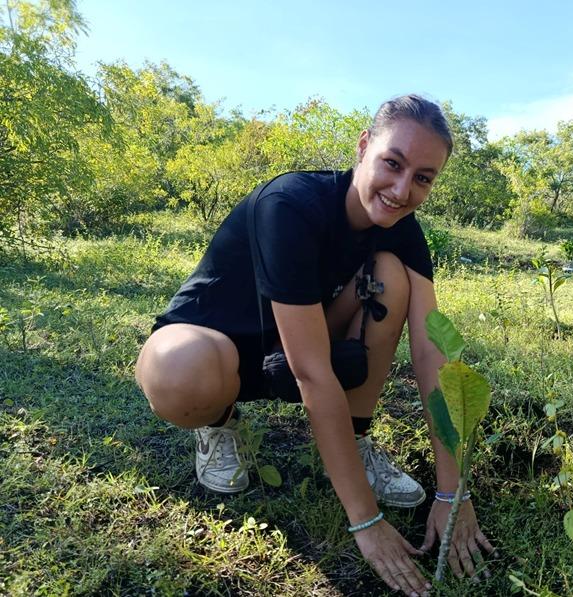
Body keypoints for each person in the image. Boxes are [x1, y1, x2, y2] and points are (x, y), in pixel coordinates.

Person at [135, 94, 494, 596]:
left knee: (390, 277)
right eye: (393, 163)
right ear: (364, 146)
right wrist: (365, 522)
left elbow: (433, 350)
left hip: (302, 345)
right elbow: (310, 373)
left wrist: (453, 491)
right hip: (215, 348)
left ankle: (357, 437)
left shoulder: (403, 231)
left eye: (423, 177)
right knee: (180, 370)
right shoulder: (291, 205)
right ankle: (219, 426)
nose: (401, 189)